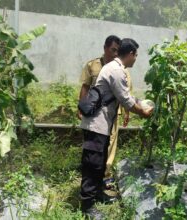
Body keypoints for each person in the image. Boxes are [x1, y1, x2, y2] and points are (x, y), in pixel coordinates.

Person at [80, 38, 152, 212]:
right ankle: (87, 206)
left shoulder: (115, 68)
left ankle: (97, 193)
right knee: (93, 164)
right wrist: (143, 112)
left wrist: (141, 102)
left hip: (103, 124)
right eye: (136, 55)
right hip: (97, 125)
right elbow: (126, 100)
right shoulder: (116, 70)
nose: (136, 59)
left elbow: (125, 95)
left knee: (101, 161)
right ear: (130, 54)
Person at [79, 35, 132, 191]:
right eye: (113, 50)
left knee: (108, 146)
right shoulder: (93, 65)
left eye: (118, 50)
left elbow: (125, 93)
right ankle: (91, 185)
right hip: (94, 114)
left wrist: (127, 112)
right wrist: (80, 108)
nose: (115, 53)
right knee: (94, 149)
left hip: (111, 114)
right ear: (105, 48)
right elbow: (85, 87)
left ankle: (104, 175)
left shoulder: (121, 70)